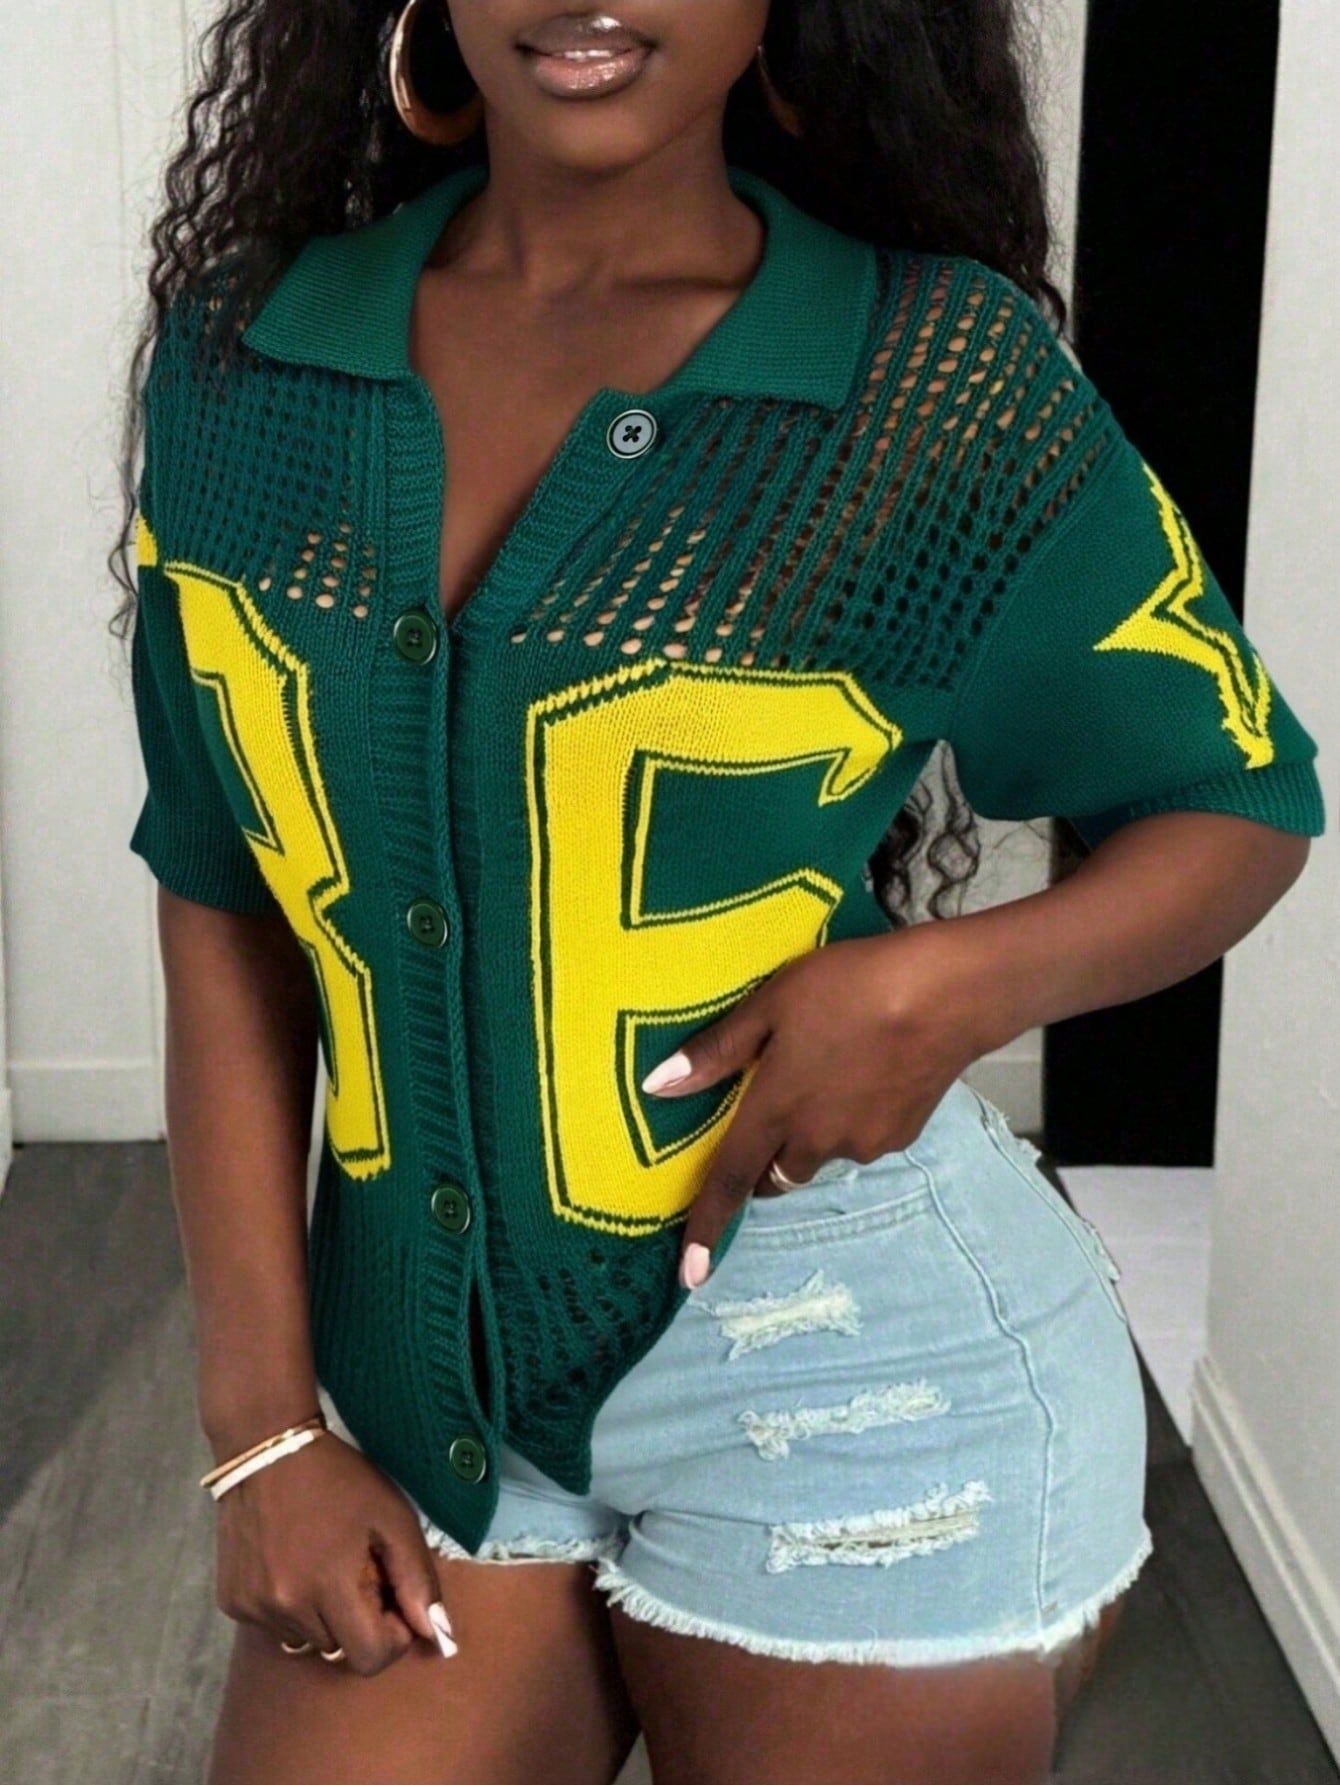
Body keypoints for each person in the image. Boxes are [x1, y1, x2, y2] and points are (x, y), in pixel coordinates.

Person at [111, 3, 1326, 1781]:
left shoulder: (929, 381)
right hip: (431, 1394)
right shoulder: (248, 361)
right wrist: (261, 1428)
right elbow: (222, 889)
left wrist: (938, 992)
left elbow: (1241, 799)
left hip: (860, 1374)